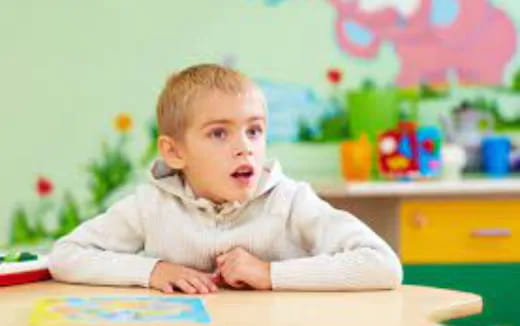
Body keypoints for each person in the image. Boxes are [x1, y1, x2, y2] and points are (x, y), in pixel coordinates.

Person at [49, 64, 402, 294]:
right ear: (174, 153)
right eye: (219, 134)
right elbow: (65, 256)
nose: (244, 148)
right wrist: (152, 271)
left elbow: (383, 265)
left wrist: (269, 274)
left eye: (254, 131)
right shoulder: (150, 206)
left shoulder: (290, 202)